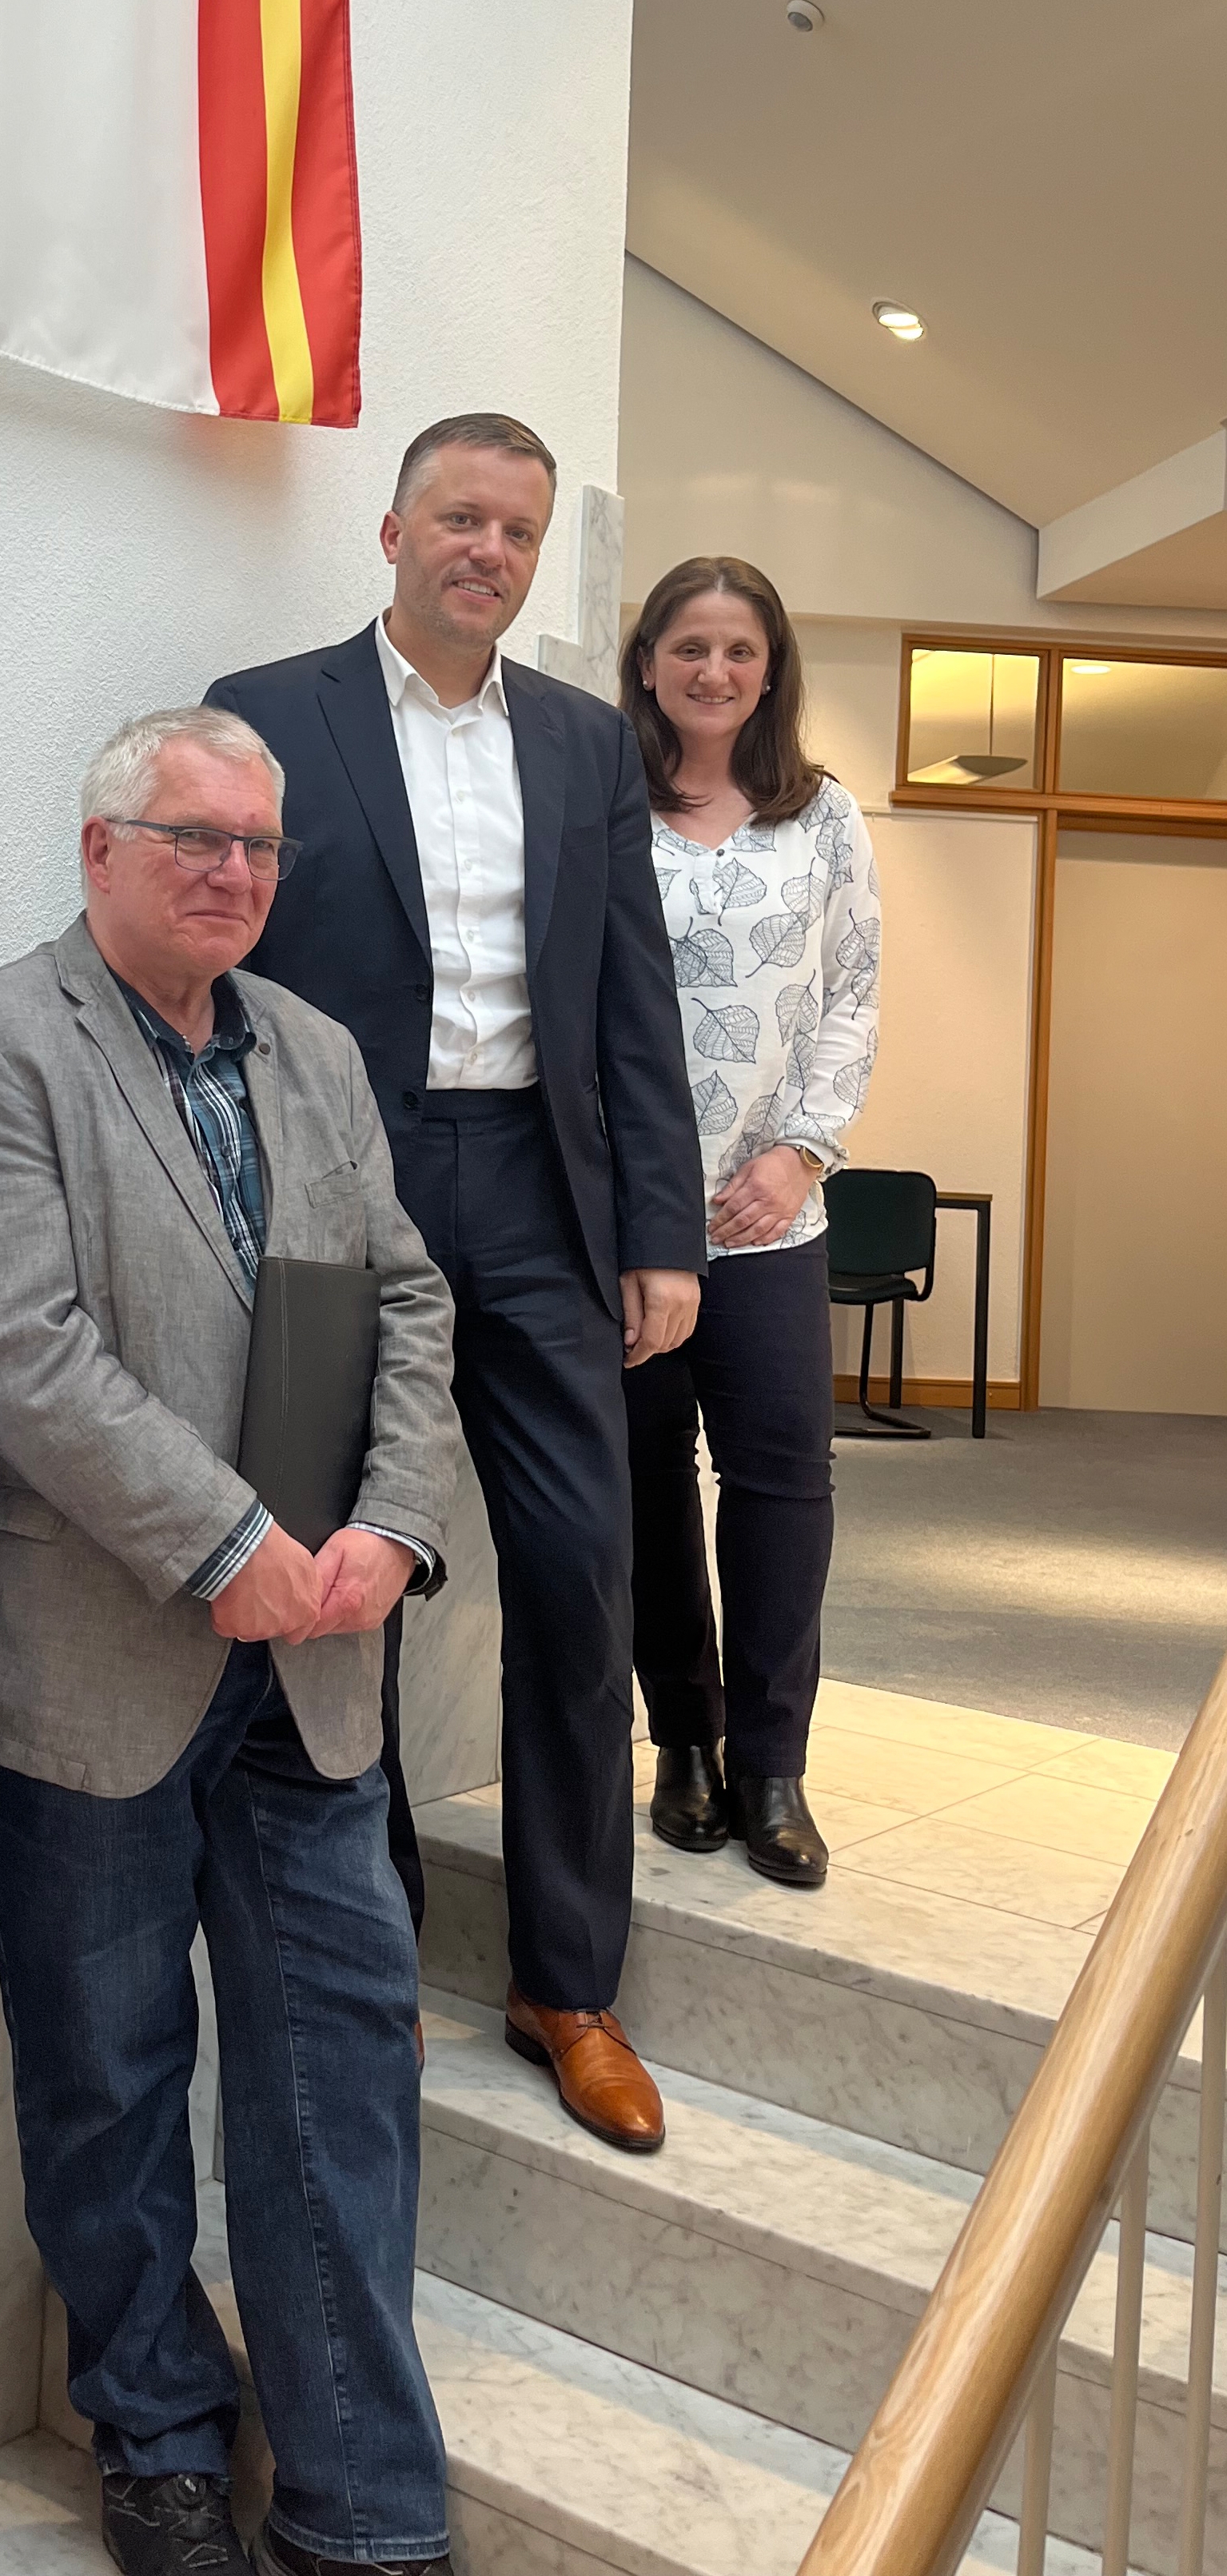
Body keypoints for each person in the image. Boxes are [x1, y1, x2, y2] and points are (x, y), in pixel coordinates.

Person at [0, 707, 461, 2576]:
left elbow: (404, 1293)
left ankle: (364, 2499)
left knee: (335, 2074)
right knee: (109, 2080)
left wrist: (387, 1520)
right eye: (189, 838)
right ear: (96, 850)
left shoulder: (310, 1045)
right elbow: (20, 1343)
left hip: (313, 1661)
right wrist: (218, 1537)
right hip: (91, 1662)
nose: (230, 874)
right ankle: (153, 2436)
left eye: (256, 849)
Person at [206, 414, 706, 2156]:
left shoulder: (584, 747)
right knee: (351, 1579)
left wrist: (664, 1235)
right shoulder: (269, 711)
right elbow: (219, 973)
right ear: (394, 530)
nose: (485, 550)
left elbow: (633, 1003)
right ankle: (372, 1961)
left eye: (516, 530)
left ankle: (567, 1981)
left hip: (543, 1201)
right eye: (458, 518)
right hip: (346, 1194)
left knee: (577, 1572)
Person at [618, 558, 881, 1887]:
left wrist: (800, 1153)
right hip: (629, 1220)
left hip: (771, 1220)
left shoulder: (822, 815)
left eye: (738, 649)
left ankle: (775, 1763)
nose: (713, 671)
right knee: (649, 1488)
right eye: (688, 647)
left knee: (783, 1485)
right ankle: (688, 1745)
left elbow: (852, 995)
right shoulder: (602, 801)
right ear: (650, 659)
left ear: (770, 667)